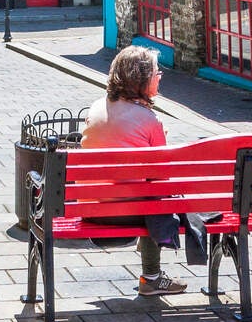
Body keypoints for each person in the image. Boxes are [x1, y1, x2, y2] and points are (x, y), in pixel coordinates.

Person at [79, 47, 188, 296]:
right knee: (156, 199)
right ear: (140, 79)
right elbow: (161, 179)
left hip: (90, 208)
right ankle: (151, 277)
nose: (160, 77)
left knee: (147, 195)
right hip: (125, 213)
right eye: (155, 73)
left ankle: (151, 273)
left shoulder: (96, 107)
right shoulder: (150, 120)